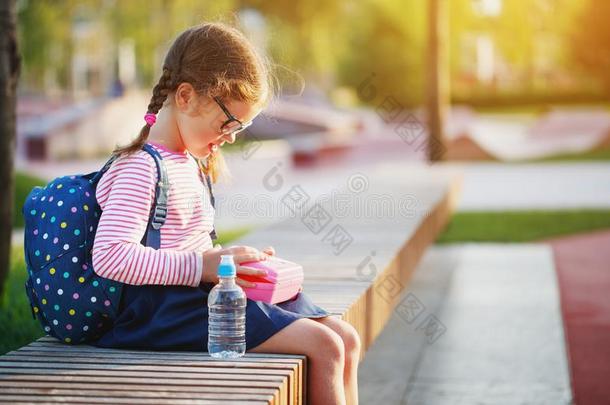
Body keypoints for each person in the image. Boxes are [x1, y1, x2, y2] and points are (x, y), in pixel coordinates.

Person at [90, 22, 360, 405]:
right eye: (227, 122)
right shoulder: (140, 167)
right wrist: (202, 267)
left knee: (346, 338)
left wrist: (236, 263)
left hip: (197, 298)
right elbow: (111, 256)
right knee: (325, 346)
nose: (232, 136)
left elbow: (192, 247)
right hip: (158, 312)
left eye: (241, 126)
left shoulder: (189, 161)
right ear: (185, 97)